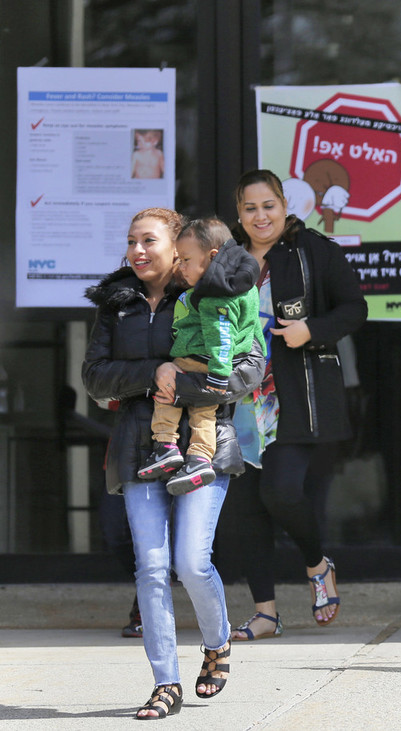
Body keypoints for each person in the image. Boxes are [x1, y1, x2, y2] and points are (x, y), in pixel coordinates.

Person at [83, 207, 265, 719]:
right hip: (140, 447)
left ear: (177, 247)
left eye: (149, 241)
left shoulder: (218, 290)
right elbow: (95, 377)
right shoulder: (115, 304)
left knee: (190, 560)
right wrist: (154, 372)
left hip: (203, 445)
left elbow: (250, 369)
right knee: (153, 567)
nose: (136, 251)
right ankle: (166, 682)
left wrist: (182, 385)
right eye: (130, 241)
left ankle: (217, 642)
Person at [219, 169, 367, 642]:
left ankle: (317, 563)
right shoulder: (228, 258)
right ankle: (265, 613)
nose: (260, 216)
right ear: (238, 213)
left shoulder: (313, 250)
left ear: (284, 205)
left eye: (268, 206)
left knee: (280, 492)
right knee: (247, 509)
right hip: (237, 400)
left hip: (295, 395)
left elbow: (355, 308)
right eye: (250, 208)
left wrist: (311, 330)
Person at [136, 218, 261, 495]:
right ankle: (201, 458)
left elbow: (221, 334)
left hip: (201, 359)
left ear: (212, 256)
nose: (181, 268)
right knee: (204, 412)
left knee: (166, 393)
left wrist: (218, 373)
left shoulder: (214, 294)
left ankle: (165, 445)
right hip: (220, 363)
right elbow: (253, 330)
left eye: (186, 260)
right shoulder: (245, 286)